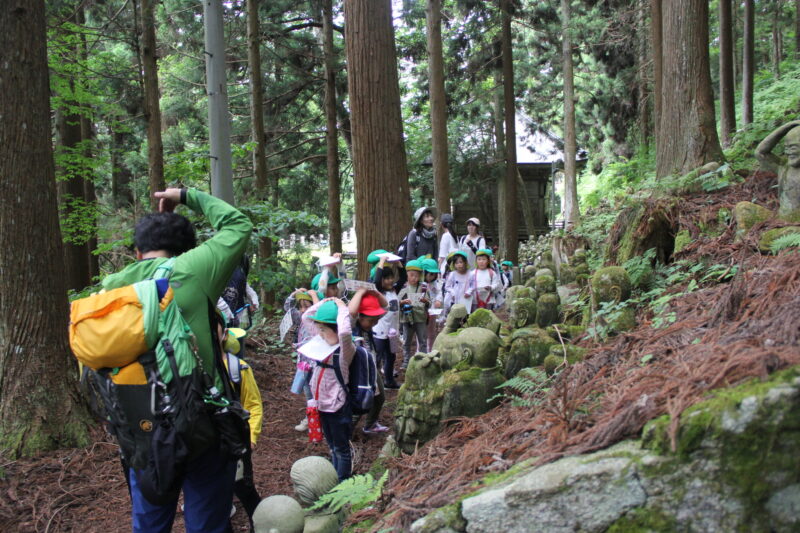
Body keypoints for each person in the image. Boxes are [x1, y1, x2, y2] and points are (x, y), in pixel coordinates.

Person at [101, 187, 252, 533]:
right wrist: (184, 195)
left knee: (150, 521)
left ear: (137, 251)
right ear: (187, 249)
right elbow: (238, 225)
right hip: (202, 424)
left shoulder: (110, 287)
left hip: (142, 429)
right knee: (207, 523)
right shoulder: (192, 269)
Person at [214, 316, 262, 528]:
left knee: (244, 489)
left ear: (223, 334)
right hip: (207, 448)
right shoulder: (189, 370)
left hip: (237, 444)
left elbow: (253, 404)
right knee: (215, 500)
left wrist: (251, 437)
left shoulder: (239, 368)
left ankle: (260, 525)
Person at [302, 298, 356, 481]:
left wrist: (341, 307)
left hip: (337, 406)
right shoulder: (321, 343)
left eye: (324, 330)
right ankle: (335, 477)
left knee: (341, 448)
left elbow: (346, 331)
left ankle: (343, 483)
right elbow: (306, 317)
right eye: (320, 330)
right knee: (332, 446)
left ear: (336, 329)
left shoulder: (344, 350)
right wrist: (326, 301)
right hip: (321, 405)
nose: (321, 334)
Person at [347, 289, 391, 433]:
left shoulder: (368, 325)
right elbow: (351, 312)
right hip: (358, 370)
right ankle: (347, 432)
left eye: (376, 320)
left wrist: (376, 294)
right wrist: (360, 292)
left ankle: (370, 424)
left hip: (371, 365)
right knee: (360, 399)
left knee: (380, 397)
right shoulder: (352, 326)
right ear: (360, 317)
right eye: (371, 320)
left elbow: (386, 307)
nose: (374, 323)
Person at [284, 289, 319, 432]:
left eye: (307, 306)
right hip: (304, 361)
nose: (304, 310)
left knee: (317, 388)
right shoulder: (300, 317)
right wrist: (294, 294)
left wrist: (314, 296)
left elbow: (320, 309)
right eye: (301, 306)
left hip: (317, 360)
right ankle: (311, 418)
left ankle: (320, 417)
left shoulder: (317, 319)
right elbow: (288, 308)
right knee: (307, 390)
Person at [756, 120, 800, 218]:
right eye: (786, 148)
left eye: (793, 148)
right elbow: (760, 152)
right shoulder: (784, 167)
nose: (788, 152)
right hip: (783, 221)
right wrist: (787, 127)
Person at [371, 254, 403, 385]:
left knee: (391, 357)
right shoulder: (378, 292)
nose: (389, 281)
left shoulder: (394, 290)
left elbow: (403, 278)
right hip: (380, 332)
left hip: (393, 332)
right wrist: (382, 262)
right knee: (377, 357)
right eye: (386, 278)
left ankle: (389, 381)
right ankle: (373, 381)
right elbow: (377, 280)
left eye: (391, 278)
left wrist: (399, 264)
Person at [398, 259, 429, 369]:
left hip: (420, 317)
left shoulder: (423, 287)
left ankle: (424, 359)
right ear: (407, 275)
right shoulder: (403, 287)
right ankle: (406, 361)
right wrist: (402, 302)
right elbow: (396, 302)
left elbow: (429, 302)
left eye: (416, 276)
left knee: (422, 340)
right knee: (407, 341)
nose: (414, 278)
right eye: (411, 275)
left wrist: (425, 301)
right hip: (407, 318)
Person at [422, 258, 443, 351]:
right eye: (429, 274)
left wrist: (439, 300)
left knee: (431, 332)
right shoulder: (420, 284)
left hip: (433, 311)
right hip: (422, 313)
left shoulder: (436, 284)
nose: (431, 276)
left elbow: (439, 293)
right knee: (422, 333)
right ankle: (421, 350)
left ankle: (430, 350)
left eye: (433, 274)